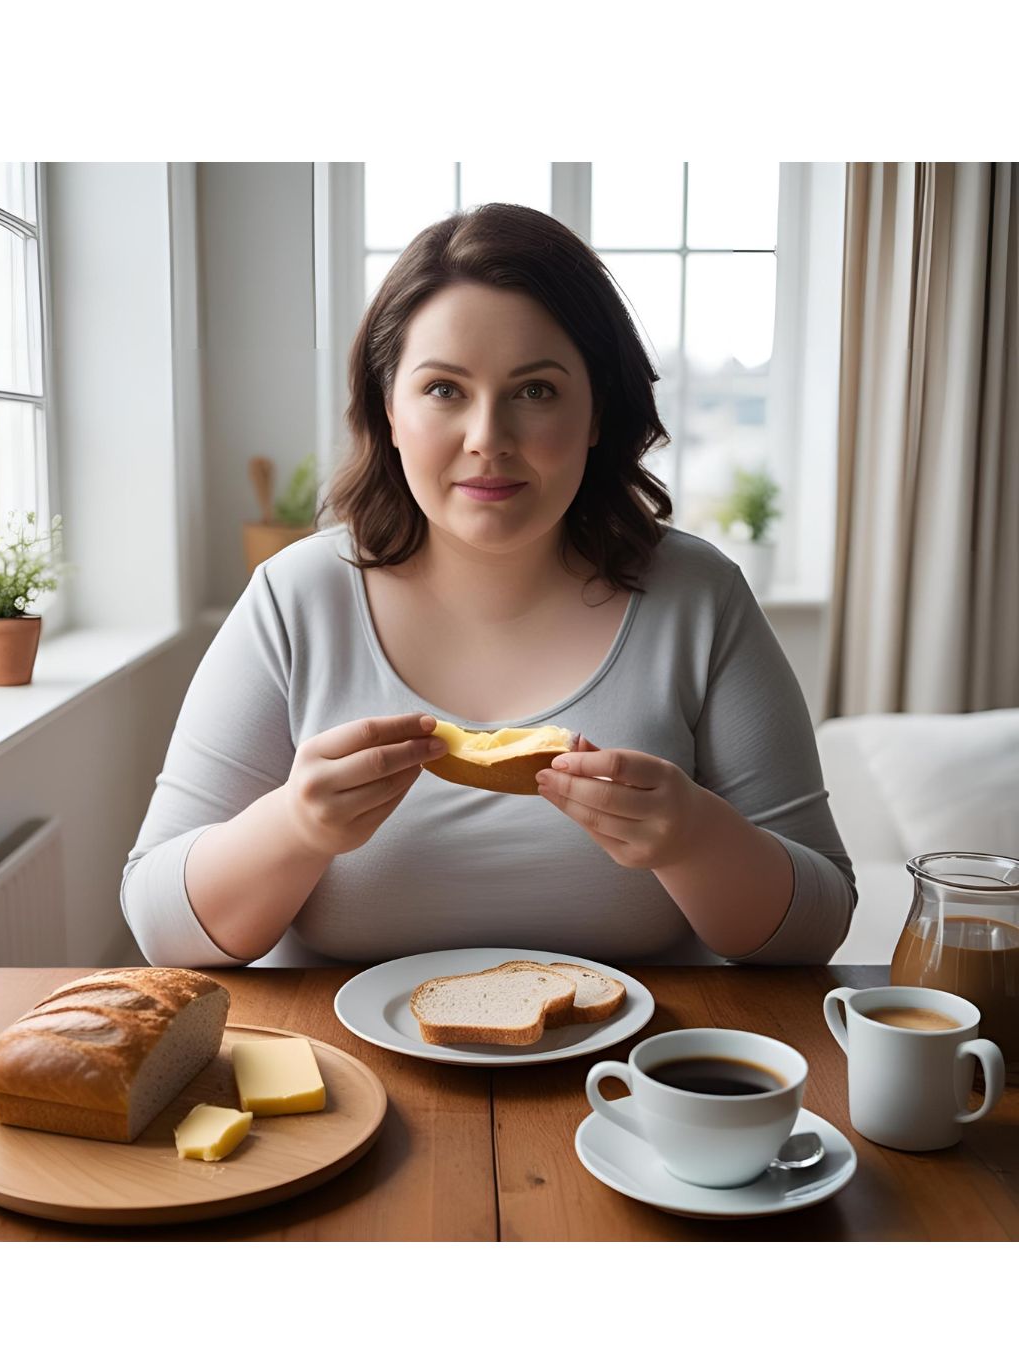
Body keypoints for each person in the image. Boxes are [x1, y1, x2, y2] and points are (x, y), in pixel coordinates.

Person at [121, 202, 856, 969]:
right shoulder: (294, 598)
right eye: (443, 390)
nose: (487, 440)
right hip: (345, 1082)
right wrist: (295, 827)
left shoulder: (700, 597)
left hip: (628, 1081)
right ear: (389, 409)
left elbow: (818, 925)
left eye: (535, 391)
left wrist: (695, 837)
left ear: (597, 410)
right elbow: (159, 926)